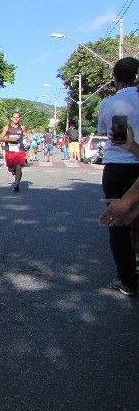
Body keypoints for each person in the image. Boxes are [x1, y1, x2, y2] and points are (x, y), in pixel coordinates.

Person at [97, 57, 139, 296]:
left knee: (118, 224)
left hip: (119, 167)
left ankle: (127, 281)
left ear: (115, 78)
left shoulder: (114, 103)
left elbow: (119, 138)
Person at [0, 111, 27, 192]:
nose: (16, 119)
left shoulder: (23, 127)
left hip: (20, 150)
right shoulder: (7, 127)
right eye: (14, 117)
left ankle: (17, 184)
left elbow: (26, 136)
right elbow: (0, 138)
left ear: (19, 118)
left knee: (19, 167)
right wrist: (10, 139)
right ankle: (13, 170)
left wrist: (27, 140)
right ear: (12, 118)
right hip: (10, 150)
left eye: (17, 117)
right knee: (11, 168)